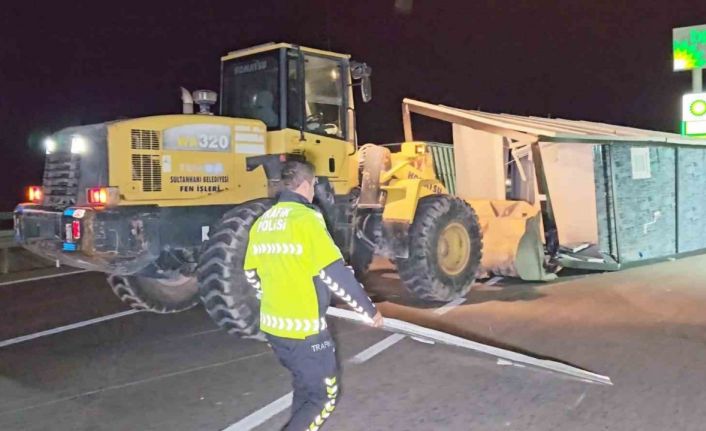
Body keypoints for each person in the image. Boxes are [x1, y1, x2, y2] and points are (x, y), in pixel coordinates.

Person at [244, 160, 383, 431]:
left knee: (305, 389)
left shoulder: (262, 222)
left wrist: (275, 298)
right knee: (323, 398)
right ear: (306, 185)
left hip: (274, 328)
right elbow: (333, 273)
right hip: (306, 332)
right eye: (314, 185)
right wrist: (368, 311)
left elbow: (251, 274)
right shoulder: (306, 219)